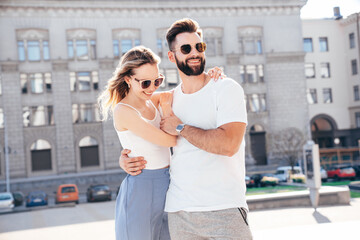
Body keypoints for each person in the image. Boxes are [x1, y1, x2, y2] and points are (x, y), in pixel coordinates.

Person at [120, 18, 253, 240]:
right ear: (172, 57)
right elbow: (129, 116)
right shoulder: (167, 100)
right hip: (180, 213)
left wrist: (180, 127)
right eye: (186, 48)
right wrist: (125, 157)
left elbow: (229, 145)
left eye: (199, 47)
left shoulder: (225, 89)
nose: (194, 53)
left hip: (225, 209)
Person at [98, 46, 224, 240]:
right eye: (145, 83)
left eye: (157, 81)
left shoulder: (149, 99)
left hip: (169, 183)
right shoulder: (124, 111)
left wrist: (211, 77)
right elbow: (171, 139)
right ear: (128, 80)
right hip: (142, 186)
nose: (152, 88)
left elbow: (189, 91)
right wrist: (165, 107)